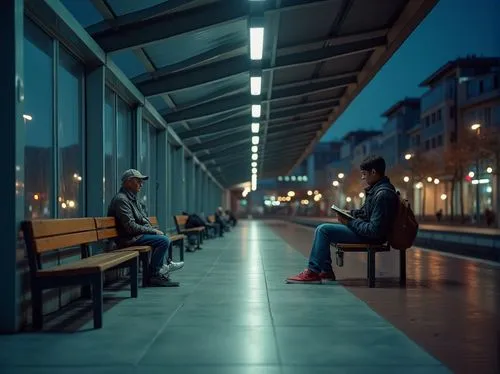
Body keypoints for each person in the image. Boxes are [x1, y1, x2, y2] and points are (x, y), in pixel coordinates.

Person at [286, 155, 398, 284]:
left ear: (373, 172)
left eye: (364, 174)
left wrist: (349, 222)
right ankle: (325, 271)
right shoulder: (377, 190)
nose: (362, 177)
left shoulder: (383, 194)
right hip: (368, 233)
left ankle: (313, 272)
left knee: (323, 230)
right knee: (322, 229)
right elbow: (365, 213)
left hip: (373, 237)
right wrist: (349, 213)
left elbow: (374, 230)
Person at [108, 169, 184, 287]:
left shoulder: (132, 199)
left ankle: (163, 267)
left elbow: (142, 219)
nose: (141, 184)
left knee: (163, 237)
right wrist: (152, 230)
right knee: (163, 240)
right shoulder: (121, 200)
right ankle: (154, 274)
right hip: (127, 239)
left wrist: (152, 229)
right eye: (138, 181)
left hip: (134, 236)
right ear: (128, 182)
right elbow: (130, 227)